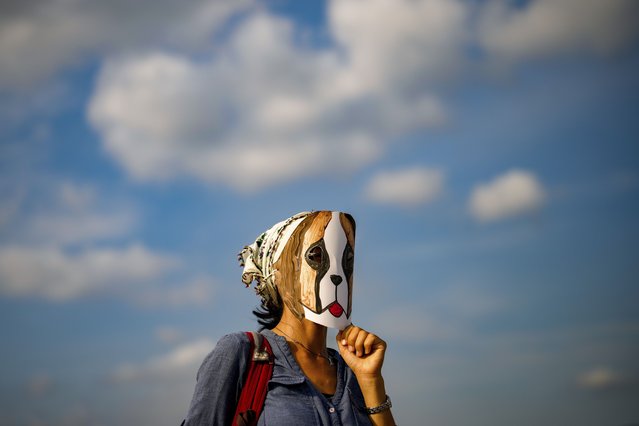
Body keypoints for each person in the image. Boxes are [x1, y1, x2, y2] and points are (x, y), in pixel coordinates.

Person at [183, 211, 396, 425]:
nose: (337, 274)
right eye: (316, 256)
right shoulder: (240, 353)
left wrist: (371, 380)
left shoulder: (353, 371)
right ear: (279, 273)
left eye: (347, 260)